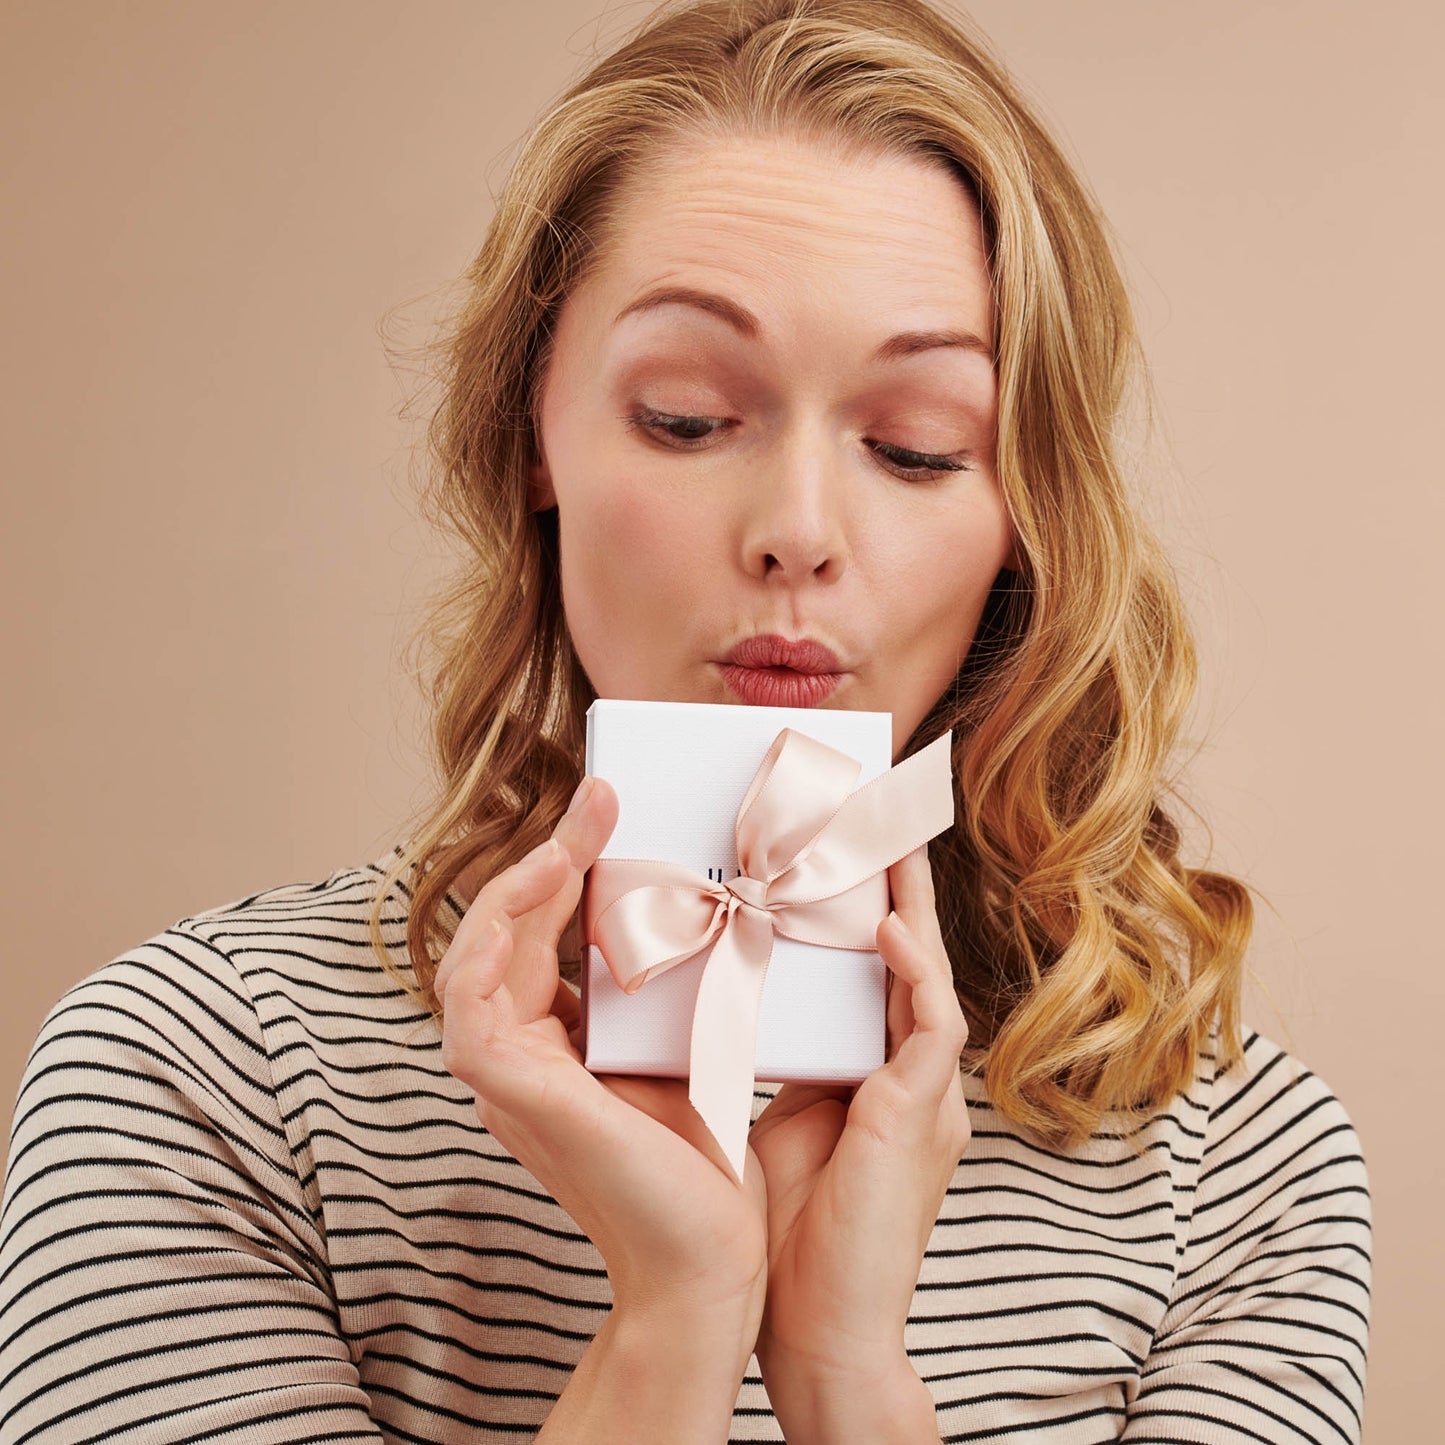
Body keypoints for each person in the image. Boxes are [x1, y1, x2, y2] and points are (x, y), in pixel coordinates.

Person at [0, 0, 1370, 1440]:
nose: (795, 531)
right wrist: (672, 1315)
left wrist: (845, 1373)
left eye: (914, 446)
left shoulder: (1238, 1168)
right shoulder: (201, 1074)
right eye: (685, 417)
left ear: (1021, 514)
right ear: (536, 431)